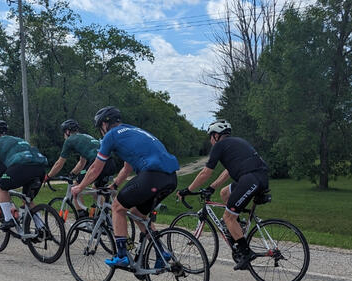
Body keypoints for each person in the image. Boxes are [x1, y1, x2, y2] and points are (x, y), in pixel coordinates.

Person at [71, 106, 179, 268]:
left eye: (100, 127)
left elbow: (95, 168)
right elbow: (127, 167)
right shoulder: (132, 130)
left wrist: (79, 187)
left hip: (153, 175)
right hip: (170, 178)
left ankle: (122, 255)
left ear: (105, 124)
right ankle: (161, 253)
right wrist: (114, 185)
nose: (101, 131)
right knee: (137, 213)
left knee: (117, 207)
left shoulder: (111, 136)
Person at [176, 119, 269, 270]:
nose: (210, 140)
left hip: (250, 179)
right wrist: (212, 187)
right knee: (225, 193)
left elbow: (205, 172)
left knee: (228, 217)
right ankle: (238, 226)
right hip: (258, 177)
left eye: (210, 137)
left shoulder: (219, 146)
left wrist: (188, 189)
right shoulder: (236, 142)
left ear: (216, 136)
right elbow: (228, 171)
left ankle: (246, 253)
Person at [0, 120, 48, 230]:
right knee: (28, 200)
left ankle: (8, 219)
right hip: (41, 167)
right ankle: (42, 228)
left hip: (22, 166)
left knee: (1, 187)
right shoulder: (18, 139)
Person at [45, 119, 117, 218]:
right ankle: (103, 217)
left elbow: (59, 163)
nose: (64, 136)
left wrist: (48, 176)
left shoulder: (70, 140)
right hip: (110, 163)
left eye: (64, 133)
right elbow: (82, 163)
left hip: (96, 163)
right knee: (96, 189)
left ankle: (82, 216)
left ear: (67, 131)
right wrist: (72, 173)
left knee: (75, 187)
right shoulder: (86, 137)